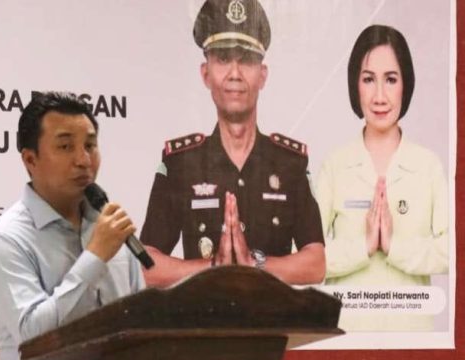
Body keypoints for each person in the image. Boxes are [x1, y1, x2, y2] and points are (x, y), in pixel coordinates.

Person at [140, 0, 325, 287]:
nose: (235, 74)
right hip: (204, 315)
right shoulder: (180, 164)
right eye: (224, 59)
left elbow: (316, 263)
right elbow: (146, 266)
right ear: (206, 74)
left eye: (247, 60)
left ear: (262, 75)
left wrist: (256, 264)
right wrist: (213, 267)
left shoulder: (290, 162)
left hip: (271, 316)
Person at [0, 92, 145, 360]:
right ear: (30, 160)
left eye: (90, 145)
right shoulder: (8, 238)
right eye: (65, 146)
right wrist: (95, 256)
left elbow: (142, 325)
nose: (83, 160)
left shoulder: (111, 229)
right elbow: (33, 336)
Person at [315, 25, 448, 331]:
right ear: (355, 84)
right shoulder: (335, 166)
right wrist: (362, 248)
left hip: (411, 337)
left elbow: (451, 252)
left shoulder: (428, 166)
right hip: (347, 337)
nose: (379, 96)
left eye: (390, 79)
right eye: (368, 79)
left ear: (405, 84)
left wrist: (394, 246)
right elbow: (307, 258)